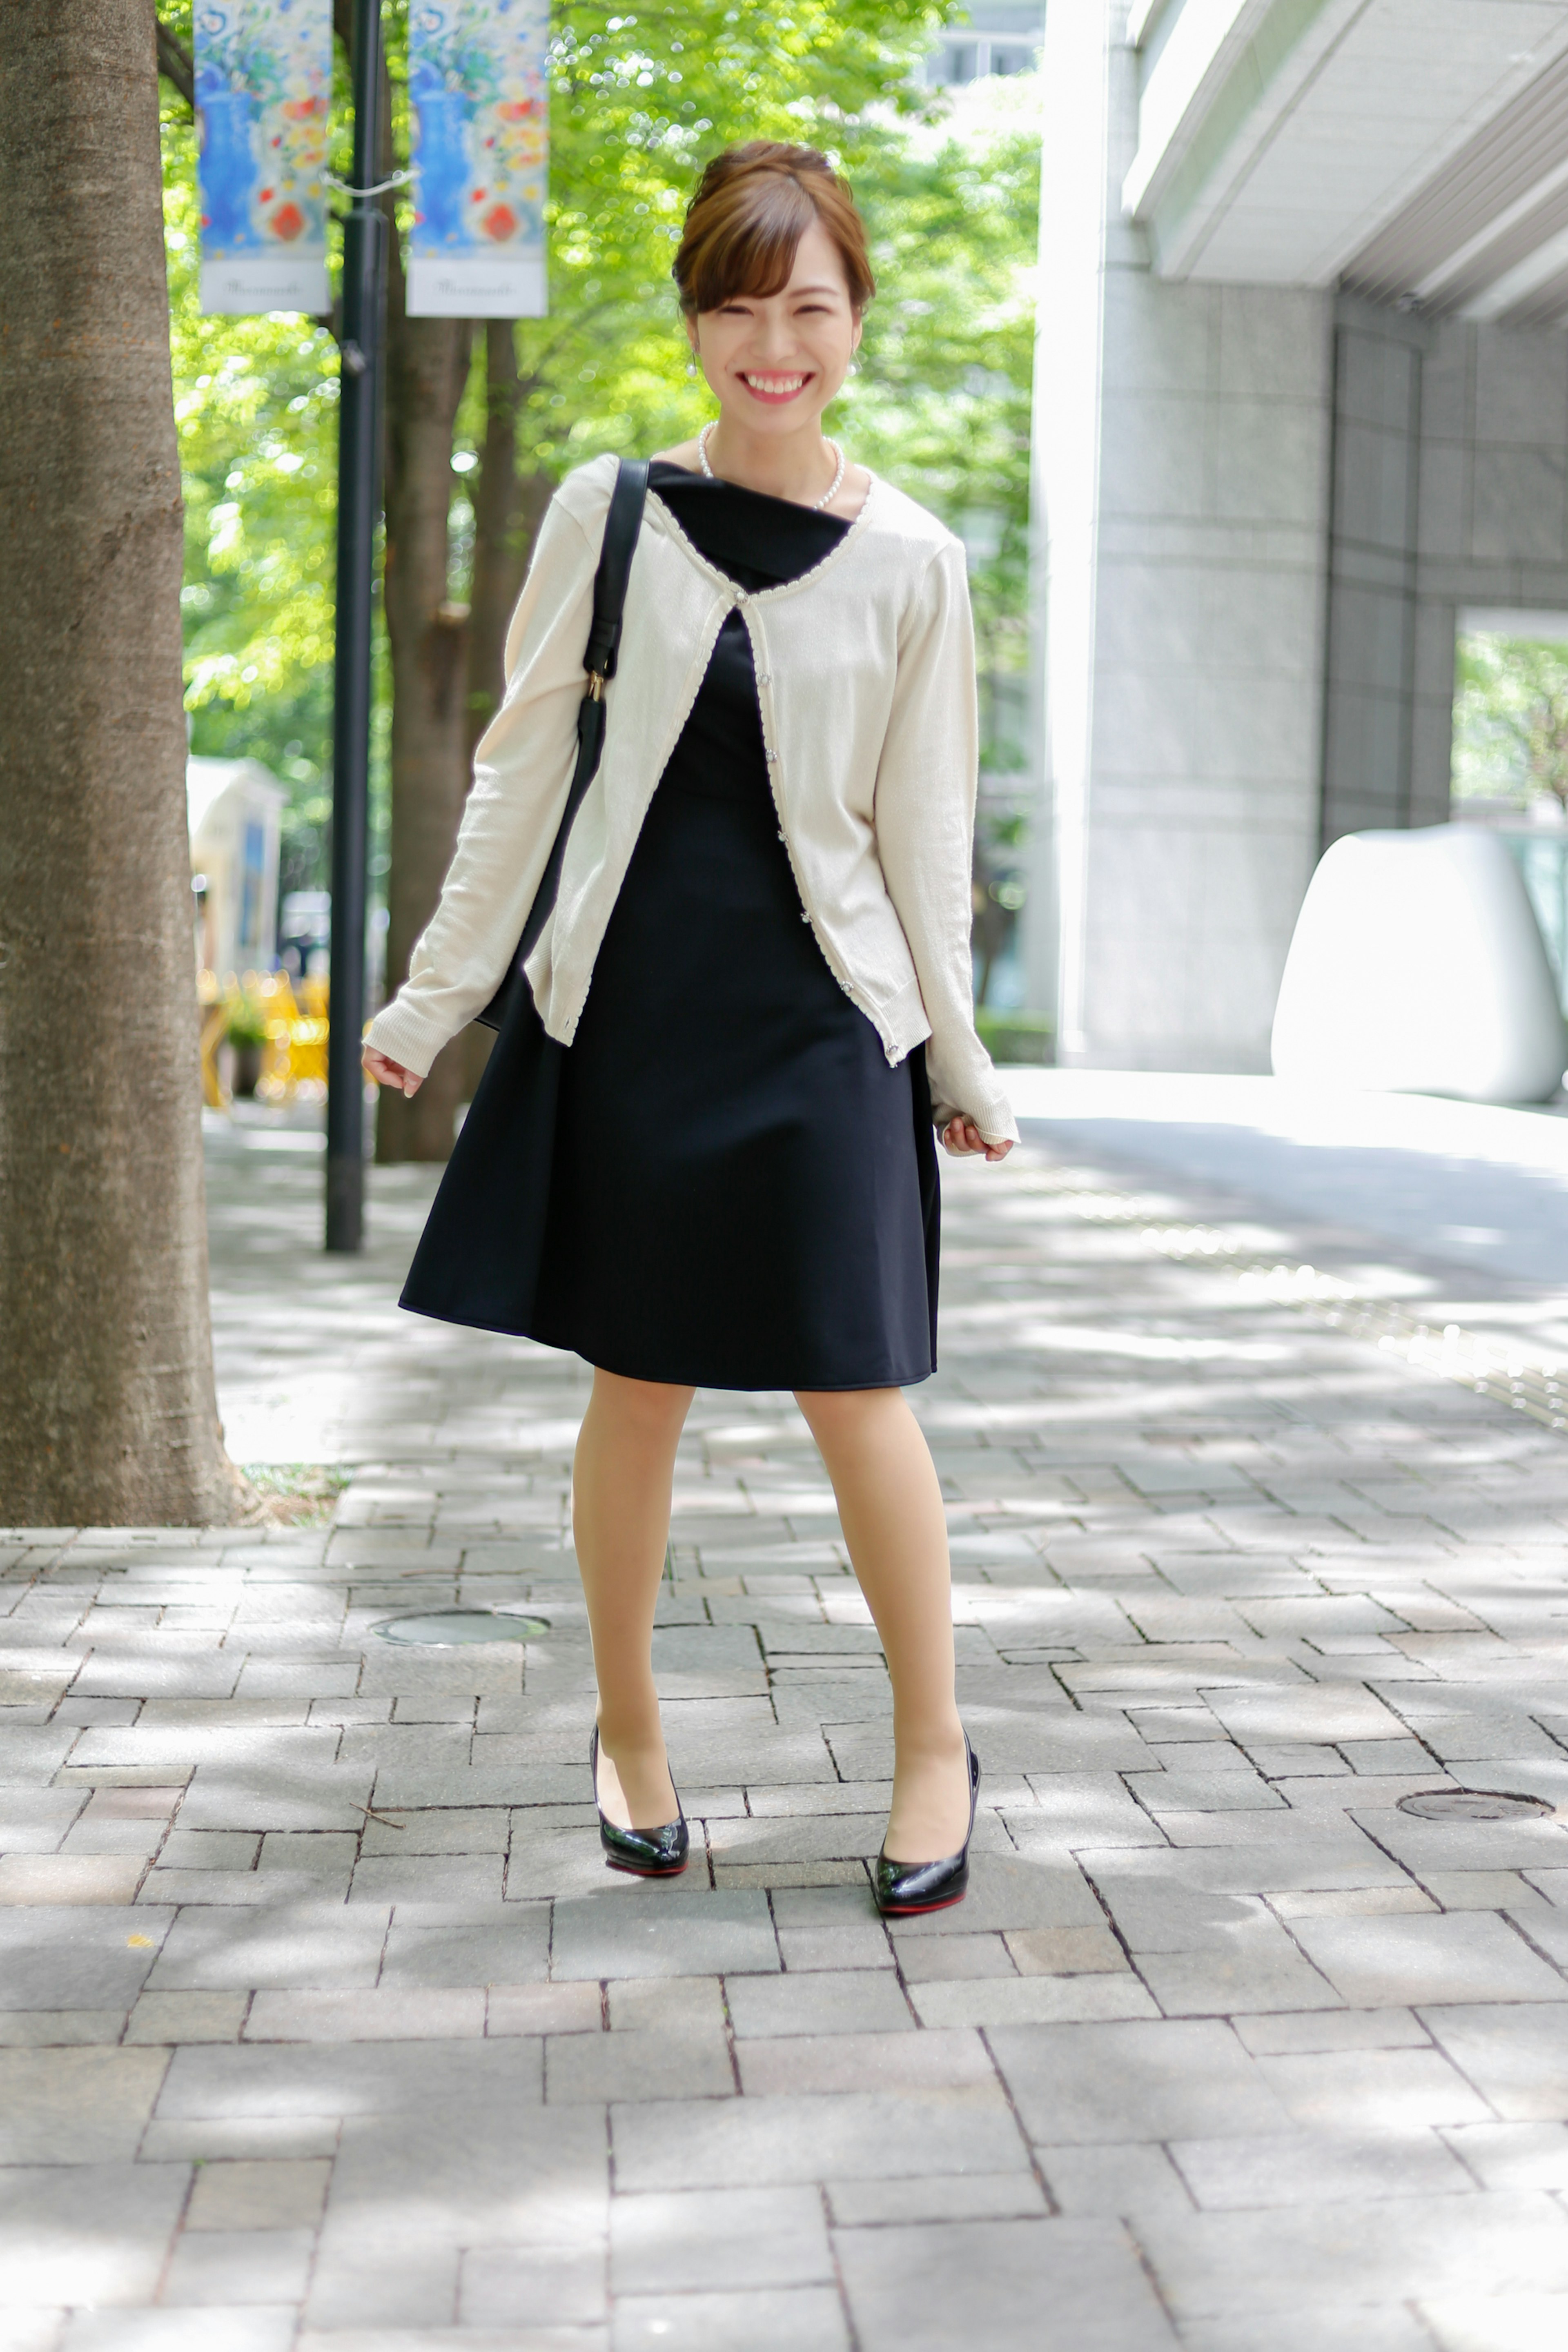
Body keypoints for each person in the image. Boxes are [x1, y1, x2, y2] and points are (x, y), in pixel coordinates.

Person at [363, 141, 1017, 1916]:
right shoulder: (613, 513)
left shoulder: (916, 566)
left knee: (857, 1387)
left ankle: (934, 1749)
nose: (772, 343)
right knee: (635, 1383)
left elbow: (925, 841)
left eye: (807, 306)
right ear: (696, 323)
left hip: (822, 1026)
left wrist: (957, 1063)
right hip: (632, 1009)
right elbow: (519, 774)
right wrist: (435, 1001)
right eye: (737, 307)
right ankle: (631, 1731)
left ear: (856, 318)